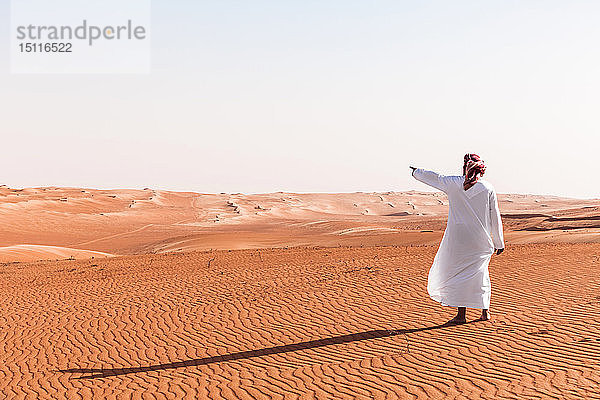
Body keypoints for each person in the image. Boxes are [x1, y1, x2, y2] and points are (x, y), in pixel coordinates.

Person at [410, 154, 504, 324]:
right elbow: (494, 216)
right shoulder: (488, 188)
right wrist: (499, 242)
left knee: (460, 274)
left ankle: (461, 315)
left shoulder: (454, 183)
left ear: (465, 167)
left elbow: (435, 178)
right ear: (482, 170)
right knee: (480, 273)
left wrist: (417, 172)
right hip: (480, 240)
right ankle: (485, 312)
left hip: (458, 238)